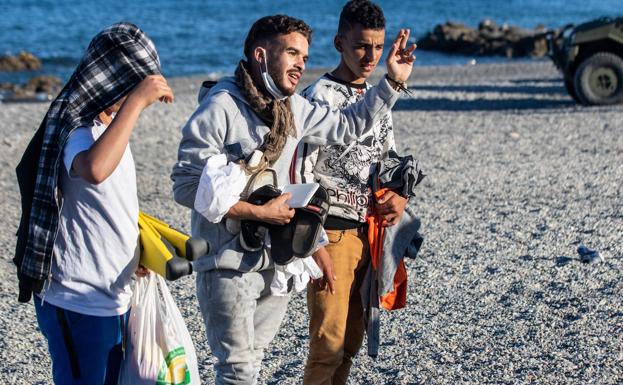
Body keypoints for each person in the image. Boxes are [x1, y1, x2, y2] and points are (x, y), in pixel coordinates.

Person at [171, 14, 415, 385]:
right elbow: (184, 184)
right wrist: (257, 211)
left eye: (304, 55)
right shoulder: (221, 106)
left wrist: (393, 81)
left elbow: (348, 126)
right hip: (227, 262)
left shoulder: (292, 108)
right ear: (260, 55)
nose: (301, 63)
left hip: (277, 259)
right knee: (237, 370)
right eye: (291, 53)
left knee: (253, 360)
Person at [14, 22, 173, 384]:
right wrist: (134, 104)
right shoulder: (75, 127)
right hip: (75, 297)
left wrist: (134, 254)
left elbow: (111, 205)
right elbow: (95, 170)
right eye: (132, 84)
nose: (135, 96)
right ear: (111, 78)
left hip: (112, 292)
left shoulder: (109, 129)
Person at [294, 2, 410, 383]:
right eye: (361, 46)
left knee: (352, 343)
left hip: (371, 233)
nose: (370, 56)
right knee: (327, 345)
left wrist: (400, 196)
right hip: (335, 234)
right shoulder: (318, 97)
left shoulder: (380, 97)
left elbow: (388, 159)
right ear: (339, 43)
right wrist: (316, 243)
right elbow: (301, 174)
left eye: (377, 47)